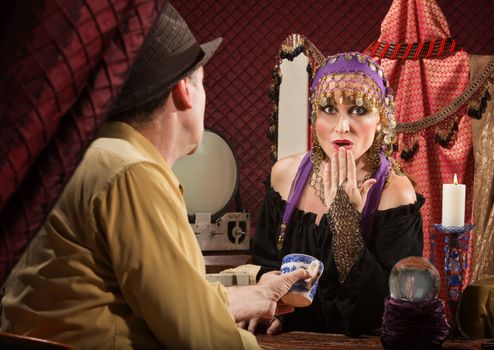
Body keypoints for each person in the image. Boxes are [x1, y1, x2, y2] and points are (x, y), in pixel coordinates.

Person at [0, 4, 309, 349]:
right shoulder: (132, 173)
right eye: (204, 84)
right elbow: (201, 337)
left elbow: (167, 300)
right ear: (183, 90)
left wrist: (256, 295)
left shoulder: (83, 160)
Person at [251, 52, 424, 336]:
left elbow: (385, 311)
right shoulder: (285, 175)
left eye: (358, 110)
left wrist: (345, 226)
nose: (342, 126)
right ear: (314, 115)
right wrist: (272, 308)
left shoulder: (396, 193)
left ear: (381, 119)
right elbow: (266, 262)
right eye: (329, 109)